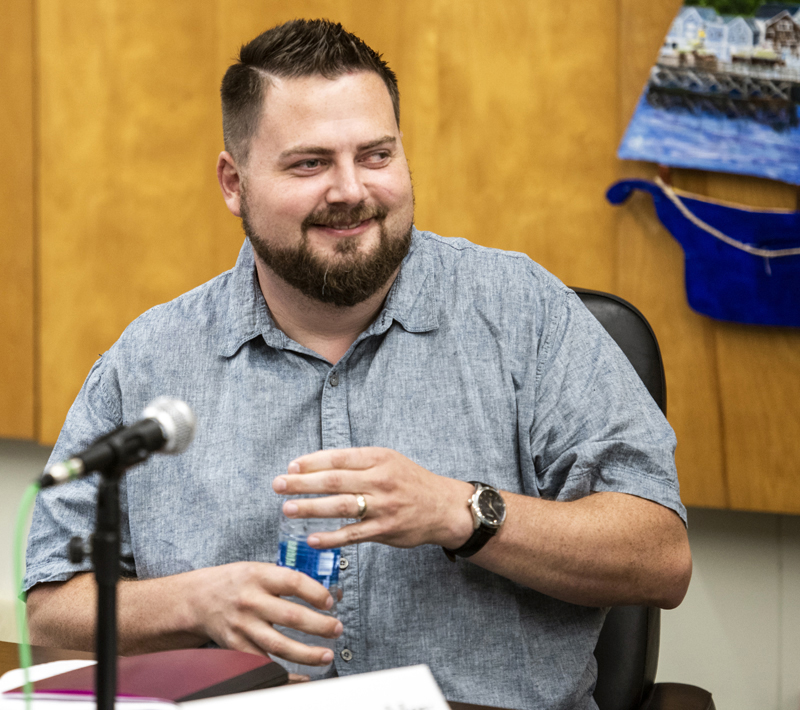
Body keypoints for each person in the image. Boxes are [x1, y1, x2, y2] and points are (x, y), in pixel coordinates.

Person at [24, 19, 692, 710]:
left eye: (375, 155)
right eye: (309, 163)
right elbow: (47, 611)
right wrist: (192, 601)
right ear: (234, 182)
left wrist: (461, 511)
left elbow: (661, 559)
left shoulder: (525, 314)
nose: (351, 191)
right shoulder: (149, 360)